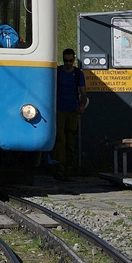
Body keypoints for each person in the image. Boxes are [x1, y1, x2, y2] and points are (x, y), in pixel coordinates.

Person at [51, 48, 86, 180]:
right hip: (59, 109)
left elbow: (83, 91)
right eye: (66, 61)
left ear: (73, 59)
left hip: (72, 110)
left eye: (71, 61)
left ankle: (68, 169)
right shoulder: (58, 72)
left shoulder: (78, 74)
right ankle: (60, 168)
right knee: (61, 139)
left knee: (70, 142)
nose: (68, 63)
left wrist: (82, 105)